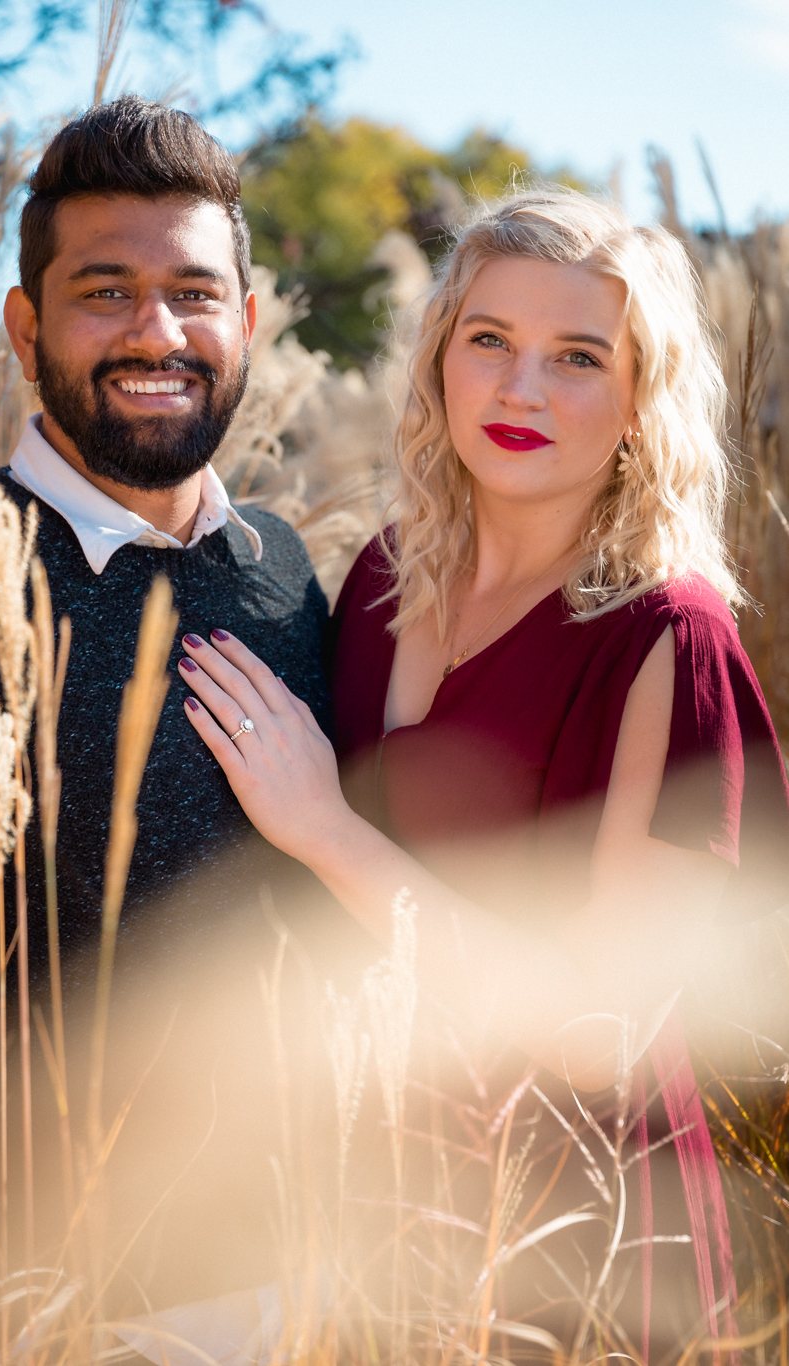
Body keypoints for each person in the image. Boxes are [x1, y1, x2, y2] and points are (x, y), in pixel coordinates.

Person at [171, 190, 789, 1350]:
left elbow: (603, 1033)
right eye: (489, 341)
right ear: (440, 360)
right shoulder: (378, 578)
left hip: (576, 1241)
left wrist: (326, 827)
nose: (519, 389)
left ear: (639, 399)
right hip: (367, 1215)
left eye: (577, 357)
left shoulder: (669, 639)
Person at [0, 96, 332, 1053]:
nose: (157, 334)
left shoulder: (283, 570)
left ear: (245, 321)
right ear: (26, 325)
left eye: (195, 294)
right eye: (105, 291)